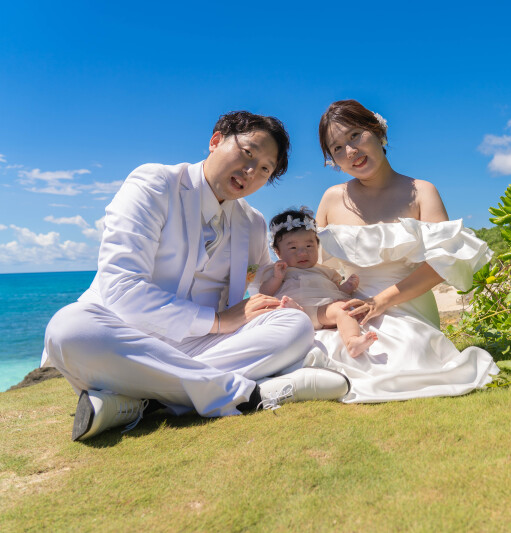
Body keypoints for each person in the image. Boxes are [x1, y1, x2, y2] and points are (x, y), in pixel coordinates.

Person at [42, 111, 349, 441]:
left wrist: (293, 303)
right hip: (127, 339)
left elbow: (263, 285)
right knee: (67, 328)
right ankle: (251, 395)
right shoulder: (154, 183)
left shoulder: (253, 222)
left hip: (202, 349)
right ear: (216, 141)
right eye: (247, 153)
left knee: (294, 324)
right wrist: (217, 322)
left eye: (264, 169)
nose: (251, 172)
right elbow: (120, 287)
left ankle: (143, 402)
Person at [308, 99, 499, 403]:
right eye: (337, 148)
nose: (350, 151)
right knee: (314, 347)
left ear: (377, 130)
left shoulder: (423, 191)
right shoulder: (331, 199)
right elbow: (311, 266)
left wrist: (380, 302)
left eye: (355, 135)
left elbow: (441, 264)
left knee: (402, 354)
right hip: (350, 311)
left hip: (407, 304)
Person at [257, 207, 379, 357]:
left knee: (343, 308)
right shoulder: (278, 271)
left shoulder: (325, 271)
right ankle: (297, 313)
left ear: (317, 246)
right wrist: (277, 278)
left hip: (322, 311)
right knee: (279, 309)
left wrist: (347, 287)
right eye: (293, 248)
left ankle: (352, 341)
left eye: (309, 246)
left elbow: (335, 290)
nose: (302, 253)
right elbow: (264, 293)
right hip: (293, 312)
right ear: (278, 252)